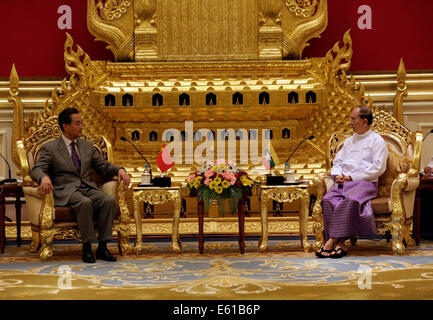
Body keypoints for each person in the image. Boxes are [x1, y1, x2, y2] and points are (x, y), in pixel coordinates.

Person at [31, 108, 130, 263]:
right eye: (78, 123)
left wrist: (120, 169)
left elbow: (103, 166)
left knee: (108, 201)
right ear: (65, 126)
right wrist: (43, 177)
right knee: (85, 203)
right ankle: (87, 247)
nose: (82, 127)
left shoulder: (86, 146)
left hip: (87, 186)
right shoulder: (50, 148)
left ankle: (103, 247)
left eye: (81, 123)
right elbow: (37, 169)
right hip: (66, 190)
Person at [316, 105, 389, 258]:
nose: (350, 122)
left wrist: (353, 177)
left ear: (364, 121)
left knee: (348, 200)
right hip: (344, 181)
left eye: (353, 119)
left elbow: (378, 168)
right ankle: (340, 244)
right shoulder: (349, 141)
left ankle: (331, 240)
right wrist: (337, 176)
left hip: (365, 183)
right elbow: (338, 161)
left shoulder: (377, 141)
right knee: (328, 199)